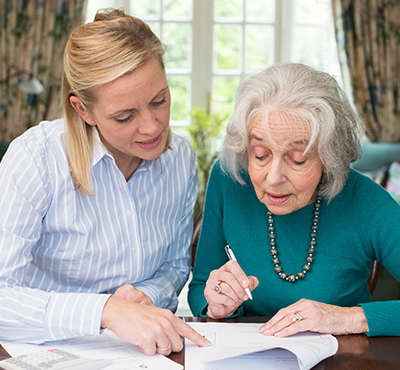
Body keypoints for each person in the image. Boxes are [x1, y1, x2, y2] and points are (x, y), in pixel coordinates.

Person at [0, 8, 210, 355]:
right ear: (82, 110)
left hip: (140, 353)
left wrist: (147, 296)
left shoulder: (180, 160)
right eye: (124, 116)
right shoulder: (35, 160)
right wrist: (105, 310)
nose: (152, 127)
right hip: (43, 352)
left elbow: (174, 266)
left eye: (159, 100)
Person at [188, 63, 400, 337]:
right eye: (260, 154)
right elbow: (201, 286)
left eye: (298, 159)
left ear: (329, 157)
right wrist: (216, 303)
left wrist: (348, 318)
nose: (273, 178)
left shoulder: (365, 202)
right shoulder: (230, 178)